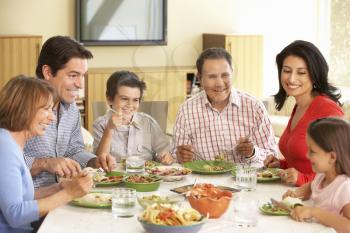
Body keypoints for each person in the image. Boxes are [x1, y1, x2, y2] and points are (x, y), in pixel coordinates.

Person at [0, 76, 93, 233]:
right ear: (23, 108)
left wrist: (59, 187)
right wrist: (69, 193)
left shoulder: (10, 143)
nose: (52, 117)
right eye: (45, 109)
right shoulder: (4, 147)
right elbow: (16, 214)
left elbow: (21, 197)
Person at [23, 36, 116, 188]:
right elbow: (4, 160)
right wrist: (43, 163)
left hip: (58, 195)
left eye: (83, 76)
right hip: (27, 201)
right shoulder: (20, 104)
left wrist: (93, 161)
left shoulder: (71, 109)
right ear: (47, 72)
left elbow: (73, 150)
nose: (80, 84)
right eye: (73, 75)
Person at [173, 47, 277, 165]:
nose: (219, 83)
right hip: (203, 182)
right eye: (212, 77)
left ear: (232, 73)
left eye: (225, 75)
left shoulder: (254, 107)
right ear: (200, 78)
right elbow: (177, 158)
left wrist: (253, 152)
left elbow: (272, 156)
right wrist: (181, 157)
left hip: (245, 181)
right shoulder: (186, 111)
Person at [264, 40, 344, 186]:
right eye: (287, 70)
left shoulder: (328, 110)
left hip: (320, 201)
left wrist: (302, 178)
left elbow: (340, 169)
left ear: (314, 75)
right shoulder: (300, 105)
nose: (291, 78)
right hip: (295, 194)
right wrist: (282, 164)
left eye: (301, 72)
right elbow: (304, 161)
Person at [283, 117, 350, 233]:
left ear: (332, 157)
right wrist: (296, 194)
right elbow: (311, 187)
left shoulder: (344, 187)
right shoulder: (321, 176)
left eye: (312, 151)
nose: (307, 155)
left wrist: (313, 212)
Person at [93, 71, 174, 164]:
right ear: (110, 99)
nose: (130, 105)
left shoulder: (148, 123)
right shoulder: (101, 124)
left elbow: (165, 151)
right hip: (115, 177)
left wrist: (165, 157)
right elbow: (99, 162)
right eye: (124, 99)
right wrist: (109, 129)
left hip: (146, 176)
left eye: (135, 100)